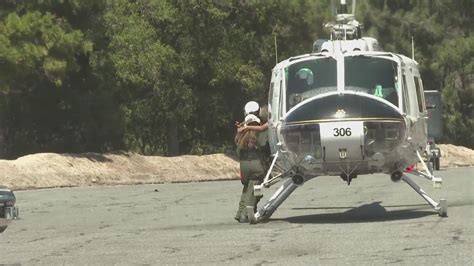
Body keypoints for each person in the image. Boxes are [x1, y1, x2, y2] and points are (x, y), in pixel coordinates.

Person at [234, 103, 269, 223]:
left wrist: (244, 127)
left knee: (246, 188)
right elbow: (265, 145)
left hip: (243, 165)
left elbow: (237, 149)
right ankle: (246, 214)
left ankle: (240, 213)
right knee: (254, 190)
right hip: (256, 164)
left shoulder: (241, 133)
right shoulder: (261, 131)